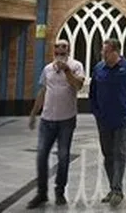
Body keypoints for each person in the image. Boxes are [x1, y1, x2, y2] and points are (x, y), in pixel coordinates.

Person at [26, 40, 85, 209]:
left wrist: (66, 70)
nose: (60, 51)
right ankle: (41, 193)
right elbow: (43, 91)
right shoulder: (47, 69)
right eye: (57, 49)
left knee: (63, 156)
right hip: (47, 120)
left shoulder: (76, 66)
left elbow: (78, 85)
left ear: (69, 50)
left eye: (63, 48)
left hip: (66, 120)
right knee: (41, 155)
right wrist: (33, 113)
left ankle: (60, 191)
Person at [89, 38, 126, 208]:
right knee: (108, 154)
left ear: (116, 52)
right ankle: (112, 188)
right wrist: (96, 112)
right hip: (103, 119)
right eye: (102, 51)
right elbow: (93, 93)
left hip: (122, 118)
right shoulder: (99, 68)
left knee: (120, 153)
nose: (103, 54)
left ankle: (117, 190)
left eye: (106, 52)